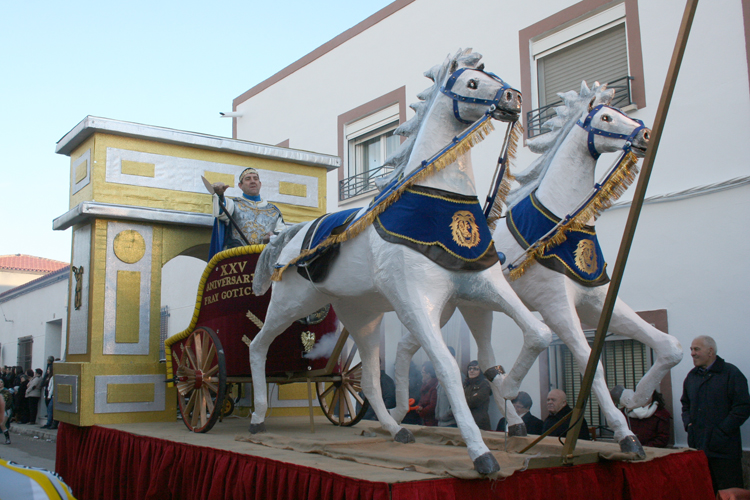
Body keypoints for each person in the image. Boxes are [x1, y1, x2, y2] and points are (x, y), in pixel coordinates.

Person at [681, 335, 750, 492]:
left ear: (710, 351)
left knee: (729, 493)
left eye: (696, 349)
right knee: (704, 492)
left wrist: (721, 431)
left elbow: (742, 407)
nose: (692, 353)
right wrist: (689, 425)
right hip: (698, 449)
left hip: (725, 452)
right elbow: (685, 404)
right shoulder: (692, 376)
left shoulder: (731, 374)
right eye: (691, 349)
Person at [210, 167, 285, 255]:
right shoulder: (233, 204)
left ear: (260, 184)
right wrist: (219, 195)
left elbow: (283, 235)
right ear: (240, 186)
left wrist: (272, 236)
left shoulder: (273, 211)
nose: (253, 181)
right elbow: (221, 211)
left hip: (263, 259)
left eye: (255, 178)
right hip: (237, 259)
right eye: (248, 179)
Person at [435, 346, 462, 428]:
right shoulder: (441, 376)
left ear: (453, 357)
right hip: (440, 423)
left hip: (452, 424)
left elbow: (459, 402)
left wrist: (446, 415)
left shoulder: (458, 377)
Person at [463, 360, 492, 430]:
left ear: (481, 371)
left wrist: (462, 399)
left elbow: (474, 401)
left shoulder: (484, 384)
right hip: (466, 421)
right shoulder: (466, 384)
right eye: (470, 368)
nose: (472, 371)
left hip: (479, 423)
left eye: (475, 369)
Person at [415, 361, 438, 426]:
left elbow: (433, 405)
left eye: (423, 372)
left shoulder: (435, 387)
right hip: (425, 419)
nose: (421, 374)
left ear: (429, 374)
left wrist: (422, 410)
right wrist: (419, 407)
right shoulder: (424, 386)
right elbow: (421, 400)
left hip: (433, 421)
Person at [1, 379, 11, 444]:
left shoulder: (6, 392)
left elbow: (9, 402)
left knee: (2, 424)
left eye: (1, 382)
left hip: (5, 410)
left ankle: (8, 439)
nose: (0, 383)